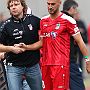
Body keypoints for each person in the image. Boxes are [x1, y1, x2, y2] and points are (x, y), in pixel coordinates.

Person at [16, 0, 90, 90]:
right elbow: (42, 43)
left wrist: (87, 61)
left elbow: (80, 42)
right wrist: (26, 47)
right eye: (48, 4)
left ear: (59, 3)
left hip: (60, 65)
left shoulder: (68, 20)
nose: (50, 6)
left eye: (53, 4)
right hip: (46, 65)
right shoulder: (43, 21)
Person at [0, 0, 42, 90]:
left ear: (23, 6)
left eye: (16, 4)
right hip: (14, 67)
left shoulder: (34, 20)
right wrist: (11, 48)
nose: (13, 7)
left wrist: (27, 47)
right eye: (11, 6)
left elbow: (44, 39)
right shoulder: (6, 25)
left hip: (33, 66)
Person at [62, 0, 85, 90]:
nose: (76, 12)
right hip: (69, 60)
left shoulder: (55, 19)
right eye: (75, 10)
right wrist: (87, 60)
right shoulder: (69, 20)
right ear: (72, 8)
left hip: (56, 61)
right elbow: (80, 41)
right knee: (78, 86)